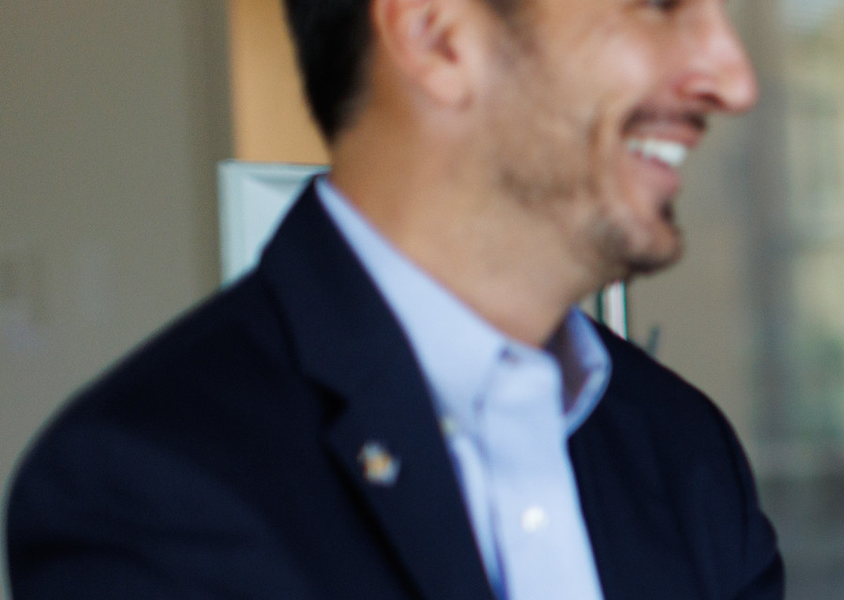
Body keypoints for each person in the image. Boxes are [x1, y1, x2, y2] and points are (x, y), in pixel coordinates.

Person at [5, 0, 777, 597]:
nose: (733, 80)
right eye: (657, 5)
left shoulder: (684, 453)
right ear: (435, 35)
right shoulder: (148, 487)